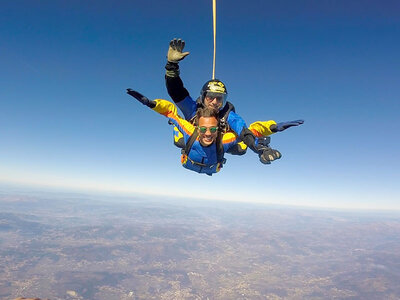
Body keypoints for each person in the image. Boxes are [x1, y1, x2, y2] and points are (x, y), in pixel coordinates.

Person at [164, 38, 304, 163]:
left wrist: (259, 148)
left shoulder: (228, 115)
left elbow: (243, 131)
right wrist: (171, 65)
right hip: (192, 146)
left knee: (240, 148)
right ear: (203, 97)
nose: (214, 102)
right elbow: (176, 91)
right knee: (179, 141)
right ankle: (180, 128)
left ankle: (260, 137)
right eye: (210, 97)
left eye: (219, 99)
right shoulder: (193, 109)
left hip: (216, 151)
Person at [126, 89, 282, 174]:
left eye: (213, 129)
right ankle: (183, 129)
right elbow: (170, 112)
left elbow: (248, 132)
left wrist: (263, 144)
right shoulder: (190, 131)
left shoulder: (224, 139)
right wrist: (152, 104)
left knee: (241, 148)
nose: (208, 133)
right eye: (204, 129)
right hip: (194, 160)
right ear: (197, 128)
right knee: (178, 139)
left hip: (211, 163)